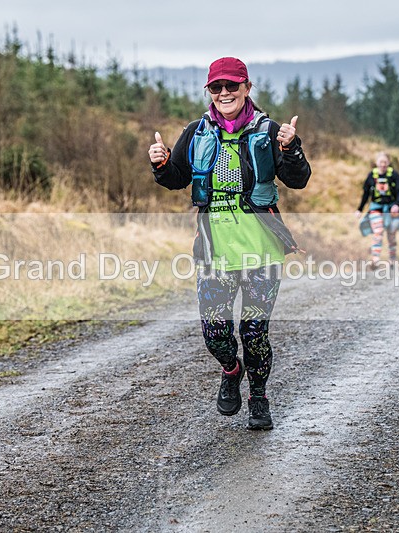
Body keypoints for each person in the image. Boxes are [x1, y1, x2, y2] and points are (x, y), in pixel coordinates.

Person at [148, 57, 311, 430]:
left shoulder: (269, 131)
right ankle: (230, 369)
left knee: (254, 332)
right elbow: (177, 178)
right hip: (214, 252)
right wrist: (160, 164)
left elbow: (297, 180)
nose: (224, 93)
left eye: (231, 86)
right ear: (209, 92)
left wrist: (292, 149)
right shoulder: (196, 132)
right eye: (216, 87)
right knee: (215, 333)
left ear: (246, 88)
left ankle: (258, 397)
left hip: (261, 252)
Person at [355, 152, 399, 264]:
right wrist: (360, 209)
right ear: (376, 162)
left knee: (391, 235)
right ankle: (375, 259)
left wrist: (397, 205)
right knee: (378, 231)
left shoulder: (394, 175)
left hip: (391, 208)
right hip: (376, 207)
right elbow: (366, 194)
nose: (383, 164)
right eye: (381, 162)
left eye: (385, 162)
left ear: (388, 163)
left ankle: (392, 259)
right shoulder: (371, 176)